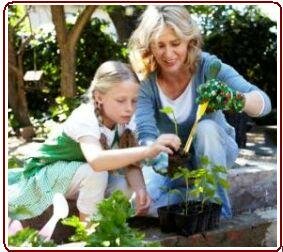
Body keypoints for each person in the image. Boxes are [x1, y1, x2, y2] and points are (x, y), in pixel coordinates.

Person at [128, 5, 271, 218]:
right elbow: (147, 134)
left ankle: (219, 212)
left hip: (215, 151)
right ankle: (191, 201)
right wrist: (155, 154)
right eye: (160, 45)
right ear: (150, 46)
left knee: (206, 128)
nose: (168, 54)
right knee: (139, 209)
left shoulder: (208, 68)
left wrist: (234, 99)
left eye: (175, 44)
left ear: (189, 41)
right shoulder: (147, 86)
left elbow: (264, 104)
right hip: (174, 165)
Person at [8, 61, 181, 222]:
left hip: (80, 177)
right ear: (99, 97)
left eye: (134, 101)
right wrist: (147, 151)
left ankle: (108, 226)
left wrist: (140, 189)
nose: (129, 108)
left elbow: (131, 164)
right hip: (49, 173)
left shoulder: (123, 121)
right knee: (96, 173)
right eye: (121, 100)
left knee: (126, 188)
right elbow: (97, 161)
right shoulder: (85, 116)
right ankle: (87, 233)